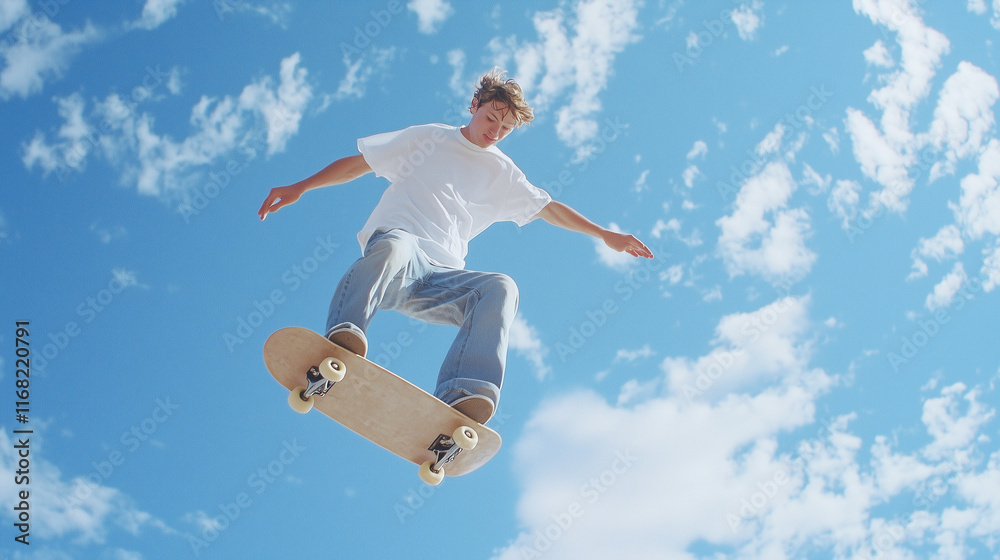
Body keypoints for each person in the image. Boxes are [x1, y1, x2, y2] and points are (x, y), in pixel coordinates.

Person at [258, 68, 652, 424]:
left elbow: (550, 210)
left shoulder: (503, 173)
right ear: (474, 106)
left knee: (501, 287)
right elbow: (359, 163)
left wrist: (605, 234)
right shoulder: (430, 137)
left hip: (442, 280)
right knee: (395, 245)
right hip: (398, 259)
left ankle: (465, 393)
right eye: (491, 117)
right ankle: (344, 335)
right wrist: (301, 186)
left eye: (506, 127)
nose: (495, 130)